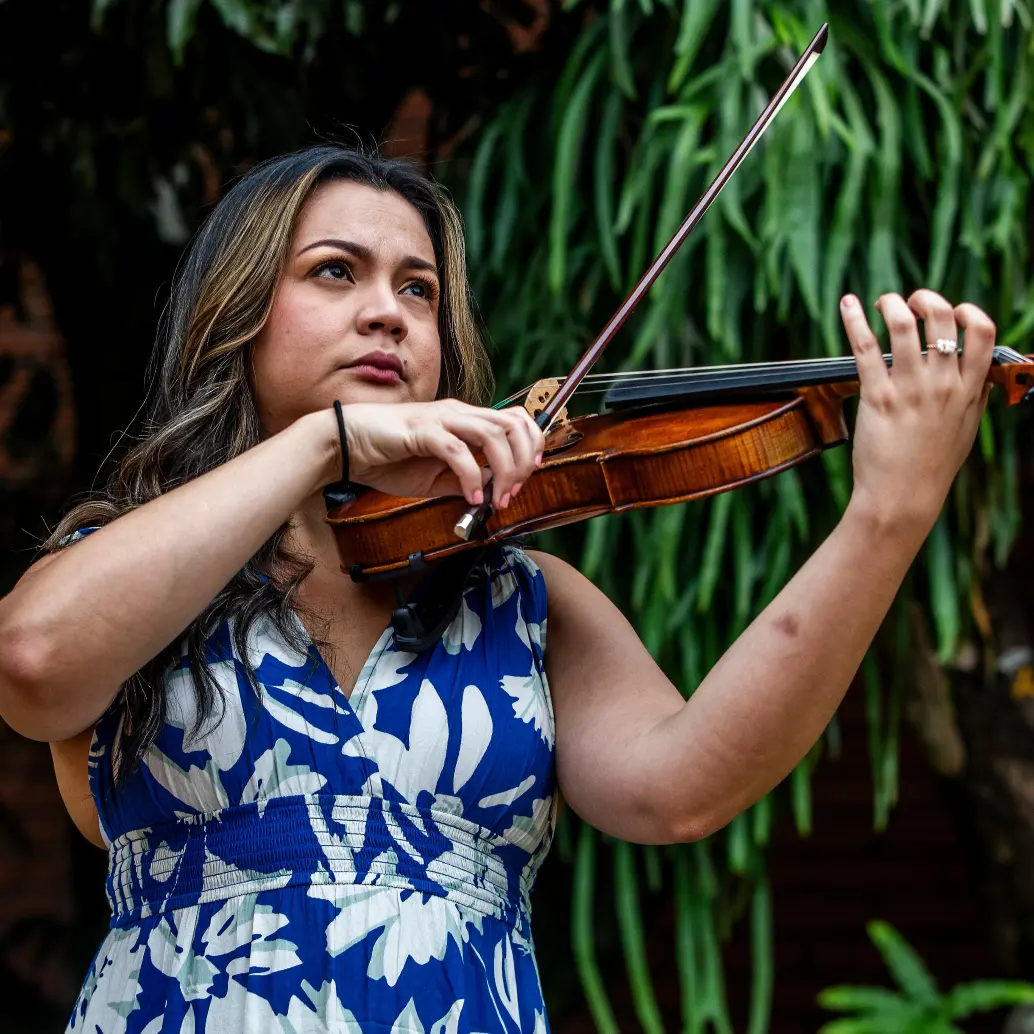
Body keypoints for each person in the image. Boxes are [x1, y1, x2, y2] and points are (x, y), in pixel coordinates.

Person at [0, 145, 996, 1034]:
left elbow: (683, 788)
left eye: (420, 289)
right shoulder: (127, 565)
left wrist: (885, 516)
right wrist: (322, 444)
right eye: (336, 271)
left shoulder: (519, 597)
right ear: (239, 313)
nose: (389, 311)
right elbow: (31, 663)